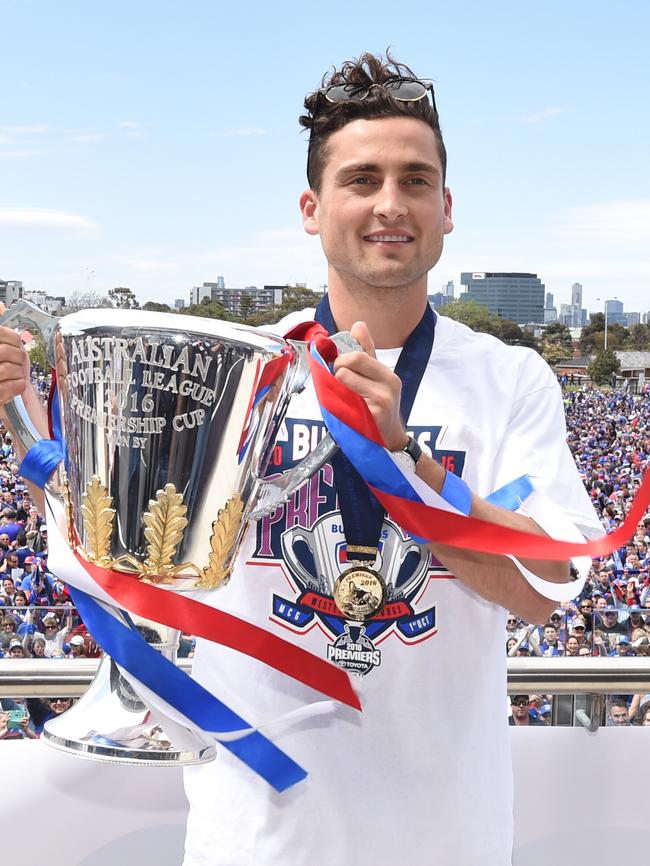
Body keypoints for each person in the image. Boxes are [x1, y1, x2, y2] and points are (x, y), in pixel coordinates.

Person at [0, 52, 602, 866]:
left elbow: (549, 589)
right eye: (362, 180)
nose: (391, 203)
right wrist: (26, 424)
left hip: (447, 838)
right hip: (257, 836)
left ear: (448, 208)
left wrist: (407, 462)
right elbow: (132, 548)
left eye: (415, 180)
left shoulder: (510, 377)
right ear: (311, 209)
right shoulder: (240, 366)